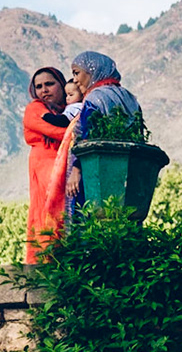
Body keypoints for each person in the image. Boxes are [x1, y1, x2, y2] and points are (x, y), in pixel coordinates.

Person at [57, 51, 144, 224]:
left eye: (76, 73)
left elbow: (89, 137)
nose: (74, 80)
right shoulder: (130, 98)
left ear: (92, 71)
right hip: (126, 175)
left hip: (94, 174)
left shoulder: (95, 98)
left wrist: (76, 170)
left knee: (89, 221)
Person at [22, 67, 69, 265]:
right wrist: (73, 131)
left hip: (65, 162)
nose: (44, 90)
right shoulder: (35, 108)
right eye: (39, 86)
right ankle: (44, 259)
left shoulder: (71, 108)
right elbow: (54, 129)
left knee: (67, 210)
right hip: (44, 164)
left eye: (49, 84)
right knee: (46, 210)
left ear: (62, 84)